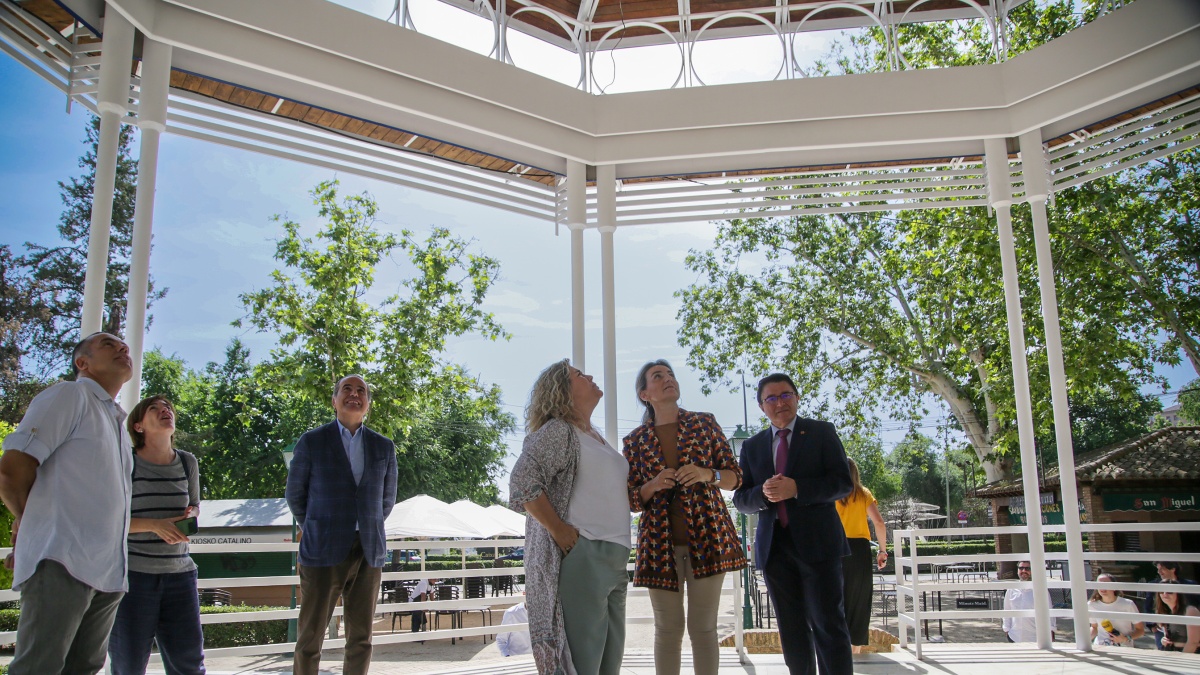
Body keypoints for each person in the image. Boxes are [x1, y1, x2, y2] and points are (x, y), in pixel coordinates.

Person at [0, 332, 134, 675]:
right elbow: (12, 470)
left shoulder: (117, 423)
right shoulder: (70, 395)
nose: (122, 347)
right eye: (108, 344)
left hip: (107, 575)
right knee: (38, 668)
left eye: (124, 345)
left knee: (84, 668)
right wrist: (29, 523)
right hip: (62, 562)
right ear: (82, 363)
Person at [622, 359, 745, 675]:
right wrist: (652, 485)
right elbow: (630, 498)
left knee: (703, 628)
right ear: (645, 394)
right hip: (659, 547)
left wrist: (708, 473)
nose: (668, 379)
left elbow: (735, 477)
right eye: (657, 376)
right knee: (667, 629)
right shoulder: (634, 442)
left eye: (671, 374)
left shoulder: (705, 423)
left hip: (709, 538)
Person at [509, 359, 630, 675]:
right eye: (579, 375)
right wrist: (559, 530)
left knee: (609, 665)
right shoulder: (559, 431)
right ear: (562, 390)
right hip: (585, 556)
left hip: (616, 561)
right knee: (582, 665)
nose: (589, 376)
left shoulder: (596, 437)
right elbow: (523, 481)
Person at [732, 373, 853, 675]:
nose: (779, 403)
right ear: (762, 407)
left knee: (828, 624)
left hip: (819, 546)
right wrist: (762, 494)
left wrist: (797, 488)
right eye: (770, 398)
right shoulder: (753, 446)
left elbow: (842, 483)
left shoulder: (821, 433)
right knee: (791, 630)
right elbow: (741, 499)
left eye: (785, 395)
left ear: (797, 398)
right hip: (775, 550)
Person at [285, 375, 398, 675]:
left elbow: (386, 502)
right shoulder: (312, 442)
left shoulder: (384, 447)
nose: (354, 394)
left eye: (361, 391)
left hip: (369, 551)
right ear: (334, 401)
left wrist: (363, 525)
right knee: (310, 637)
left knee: (361, 638)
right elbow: (295, 495)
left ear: (368, 405)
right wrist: (319, 526)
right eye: (346, 389)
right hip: (321, 550)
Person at [108, 396, 205, 674]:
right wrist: (155, 524)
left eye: (168, 408)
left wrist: (191, 514)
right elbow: (108, 521)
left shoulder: (188, 462)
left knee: (189, 664)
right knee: (128, 663)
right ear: (138, 426)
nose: (166, 410)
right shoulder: (126, 463)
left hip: (181, 576)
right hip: (133, 579)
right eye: (155, 408)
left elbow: (196, 505)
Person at [834, 458, 887, 652]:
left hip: (835, 548)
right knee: (859, 598)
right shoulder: (863, 494)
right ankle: (855, 650)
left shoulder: (831, 494)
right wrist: (882, 550)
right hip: (859, 551)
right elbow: (879, 523)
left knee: (835, 598)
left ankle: (837, 650)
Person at [1142, 560, 1196, 648]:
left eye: (1162, 569)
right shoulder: (1154, 585)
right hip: (1163, 628)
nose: (1159, 572)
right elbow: (1148, 606)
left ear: (1173, 569)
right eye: (1158, 569)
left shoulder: (1189, 585)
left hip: (1189, 627)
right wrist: (1152, 626)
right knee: (1165, 651)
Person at [1002, 560, 1056, 643]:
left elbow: (1049, 612)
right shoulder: (1011, 590)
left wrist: (1051, 630)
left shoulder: (1041, 590)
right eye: (1021, 568)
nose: (1024, 571)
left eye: (1027, 568)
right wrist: (1007, 630)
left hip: (1036, 637)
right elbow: (1007, 611)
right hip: (1014, 637)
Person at [1087, 572, 1143, 647]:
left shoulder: (1128, 604)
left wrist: (1125, 638)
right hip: (1101, 647)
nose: (1102, 588)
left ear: (1114, 587)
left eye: (1106, 585)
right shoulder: (1091, 605)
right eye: (1099, 585)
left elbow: (1140, 630)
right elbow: (1094, 627)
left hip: (1124, 648)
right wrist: (1086, 638)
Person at [1154, 581, 1200, 653]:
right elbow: (1169, 636)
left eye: (1170, 591)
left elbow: (1193, 642)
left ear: (1178, 593)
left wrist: (1181, 659)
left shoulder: (1189, 611)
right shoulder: (1165, 612)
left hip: (1190, 655)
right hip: (1172, 653)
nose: (1165, 594)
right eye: (1161, 591)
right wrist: (1164, 640)